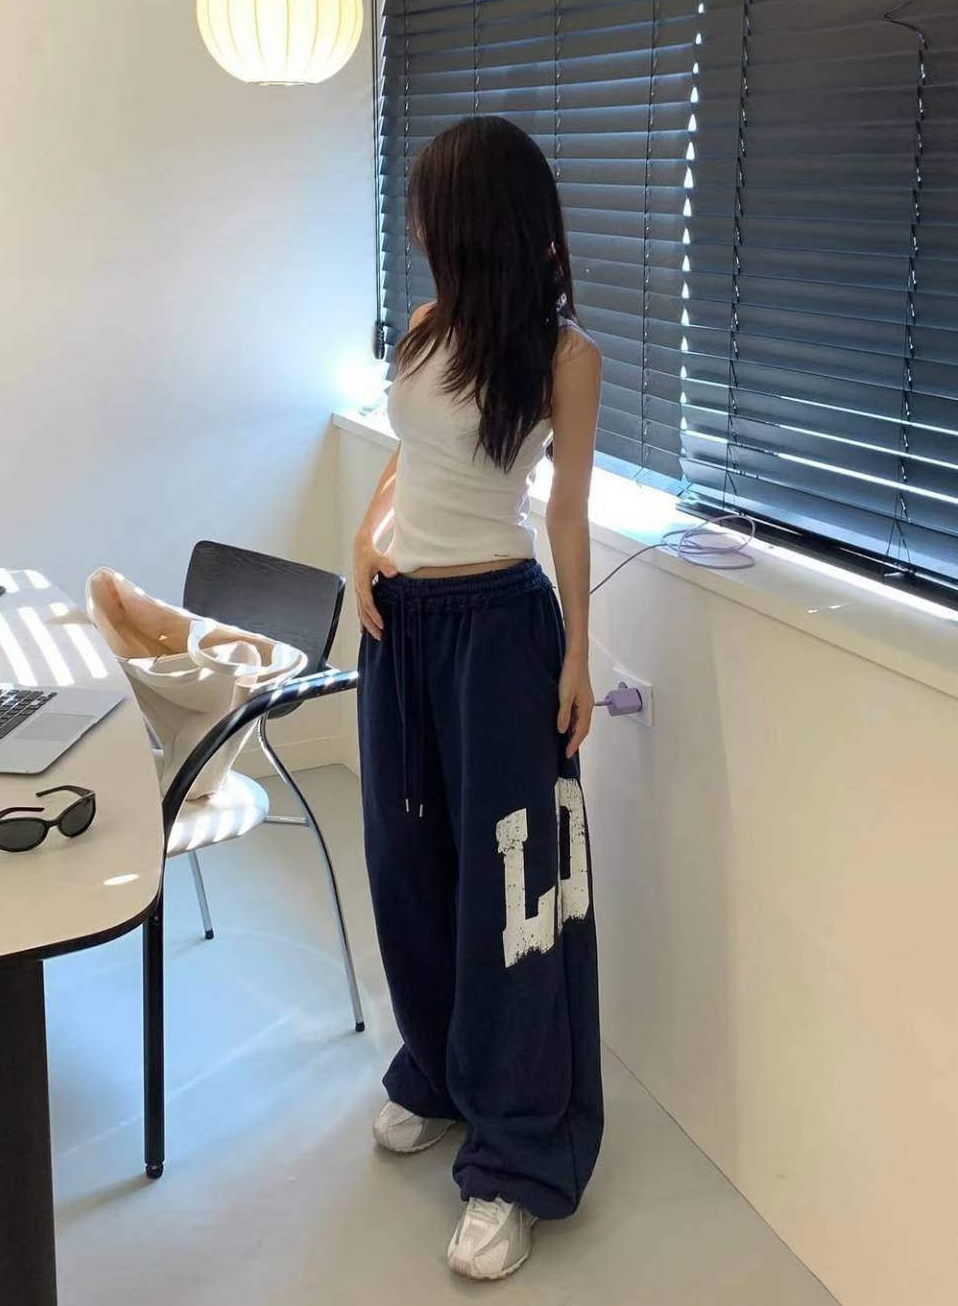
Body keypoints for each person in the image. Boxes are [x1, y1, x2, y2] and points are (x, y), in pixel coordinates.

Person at [352, 114, 603, 1281]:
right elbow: (406, 457)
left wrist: (578, 652)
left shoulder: (561, 358)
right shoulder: (423, 327)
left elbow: (567, 512)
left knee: (511, 897)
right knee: (409, 868)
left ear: (477, 222)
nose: (416, 228)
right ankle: (441, 1071)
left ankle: (515, 1155)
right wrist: (364, 540)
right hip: (401, 629)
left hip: (500, 633)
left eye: (431, 211)